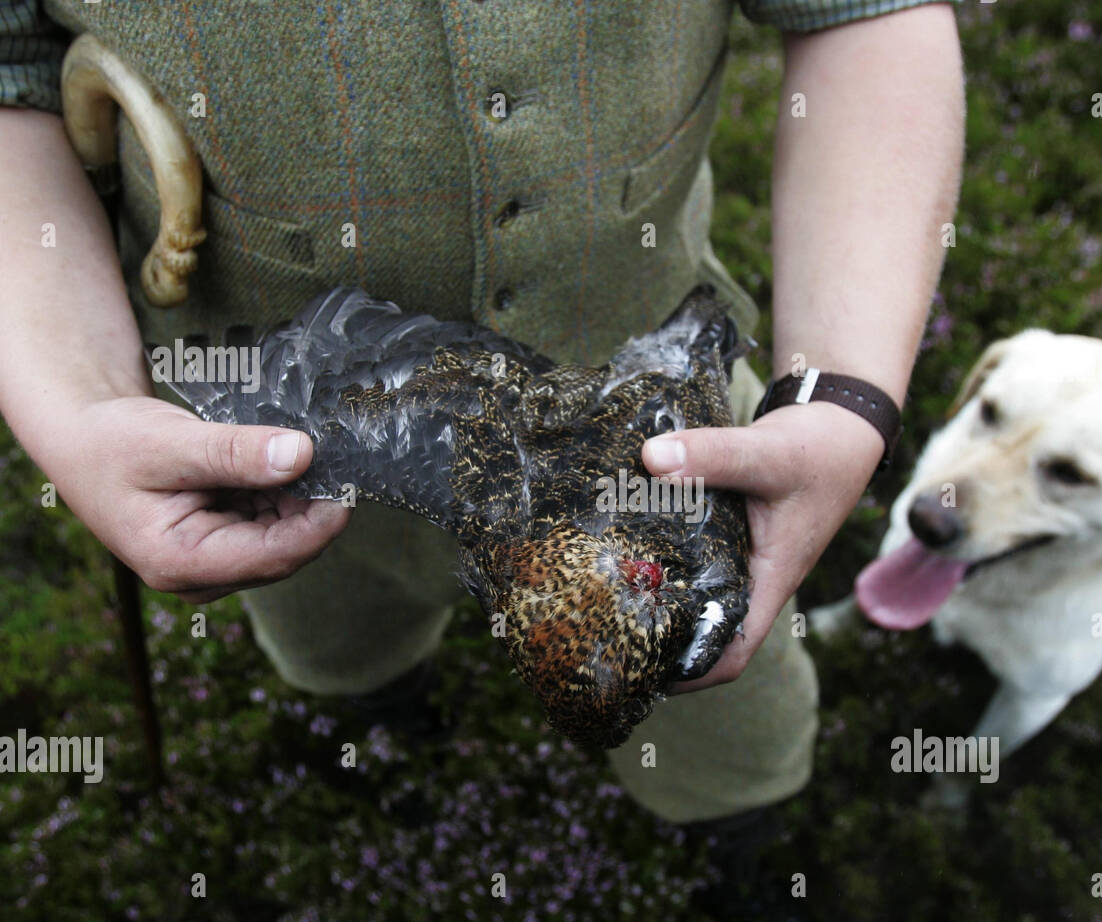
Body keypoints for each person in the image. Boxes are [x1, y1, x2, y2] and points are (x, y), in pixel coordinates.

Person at [0, 0, 964, 829]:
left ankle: (737, 828)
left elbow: (862, 13)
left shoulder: (678, 536)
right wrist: (76, 401)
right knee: (334, 630)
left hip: (671, 430)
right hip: (289, 452)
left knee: (723, 704)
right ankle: (377, 708)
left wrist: (838, 394)